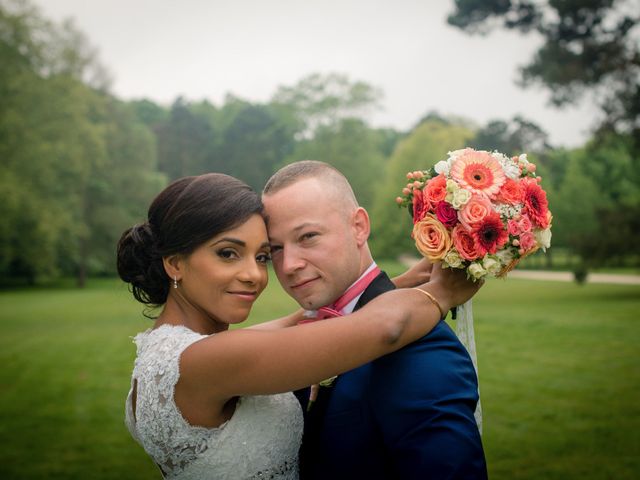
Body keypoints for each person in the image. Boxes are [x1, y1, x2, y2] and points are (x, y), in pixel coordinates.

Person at [117, 173, 482, 480]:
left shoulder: (164, 354)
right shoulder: (204, 361)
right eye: (228, 253)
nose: (254, 275)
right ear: (175, 264)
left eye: (262, 256)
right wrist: (441, 291)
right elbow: (385, 327)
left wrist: (396, 285)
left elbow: (306, 323)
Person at [262, 161, 488, 479]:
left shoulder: (422, 350)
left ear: (359, 227)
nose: (288, 265)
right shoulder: (305, 330)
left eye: (307, 236)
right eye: (275, 248)